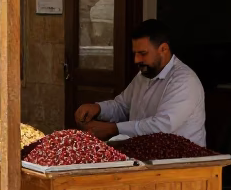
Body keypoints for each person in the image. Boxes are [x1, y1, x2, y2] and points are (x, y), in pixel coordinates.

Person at [73, 19, 206, 145]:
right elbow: (122, 106)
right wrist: (98, 109)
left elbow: (162, 126)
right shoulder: (144, 75)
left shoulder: (184, 81)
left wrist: (113, 129)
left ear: (163, 49)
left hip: (181, 158)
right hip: (143, 152)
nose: (136, 60)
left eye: (143, 53)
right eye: (135, 53)